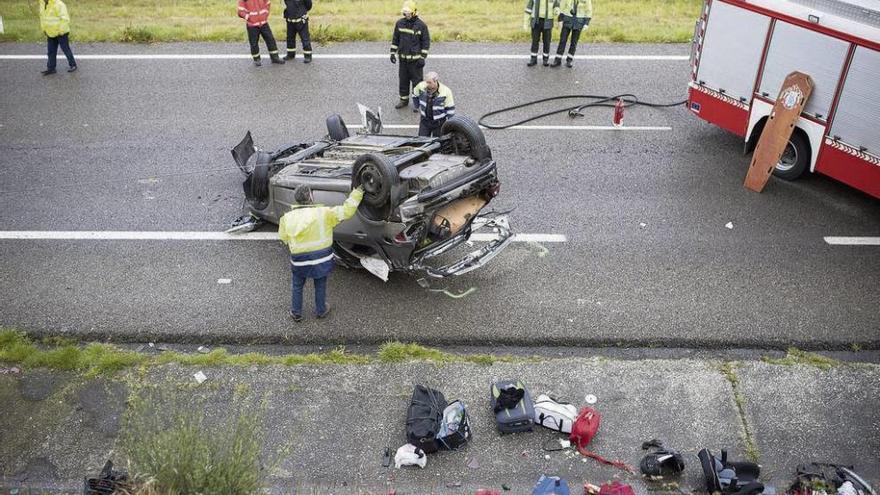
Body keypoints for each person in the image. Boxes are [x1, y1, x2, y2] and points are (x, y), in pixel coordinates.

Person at [278, 185, 364, 321]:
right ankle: (321, 310)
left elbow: (283, 237)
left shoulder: (287, 218)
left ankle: (296, 313)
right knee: (320, 284)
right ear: (311, 197)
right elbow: (347, 211)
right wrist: (358, 192)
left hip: (299, 260)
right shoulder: (324, 213)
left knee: (297, 285)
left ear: (297, 200)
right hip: (322, 259)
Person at [390, 1, 430, 109]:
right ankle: (404, 101)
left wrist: (422, 57)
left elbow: (426, 43)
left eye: (408, 13)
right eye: (405, 13)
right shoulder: (399, 23)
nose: (406, 15)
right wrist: (392, 53)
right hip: (403, 60)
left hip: (415, 61)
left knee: (417, 83)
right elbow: (395, 39)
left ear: (414, 12)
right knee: (403, 81)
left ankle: (418, 104)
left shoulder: (421, 26)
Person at [237, 0, 285, 66]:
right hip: (252, 25)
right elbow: (240, 11)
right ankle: (256, 59)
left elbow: (268, 3)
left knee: (270, 40)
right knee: (254, 43)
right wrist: (249, 17)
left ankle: (275, 57)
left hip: (263, 23)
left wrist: (266, 13)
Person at [39, 0, 77, 75]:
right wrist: (44, 29)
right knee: (51, 51)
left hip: (61, 32)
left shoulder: (59, 4)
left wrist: (61, 31)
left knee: (65, 49)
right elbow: (42, 17)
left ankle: (73, 65)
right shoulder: (42, 3)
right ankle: (51, 68)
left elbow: (65, 19)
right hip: (50, 32)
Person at [412, 72, 455, 137]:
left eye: (429, 82)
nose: (426, 84)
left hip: (439, 123)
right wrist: (416, 105)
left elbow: (450, 109)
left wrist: (450, 124)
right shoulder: (421, 86)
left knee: (439, 143)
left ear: (435, 81)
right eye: (426, 82)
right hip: (425, 121)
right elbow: (414, 93)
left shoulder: (446, 91)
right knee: (421, 140)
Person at [552, 0, 592, 68]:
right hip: (567, 20)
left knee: (574, 42)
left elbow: (588, 9)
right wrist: (560, 19)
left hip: (579, 21)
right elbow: (562, 6)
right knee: (562, 40)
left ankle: (569, 60)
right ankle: (557, 60)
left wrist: (586, 23)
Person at [523, 0, 558, 67]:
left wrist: (556, 10)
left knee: (547, 41)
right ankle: (533, 59)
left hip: (547, 22)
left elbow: (556, 6)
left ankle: (545, 59)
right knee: (535, 41)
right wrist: (525, 23)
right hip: (536, 22)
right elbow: (528, 9)